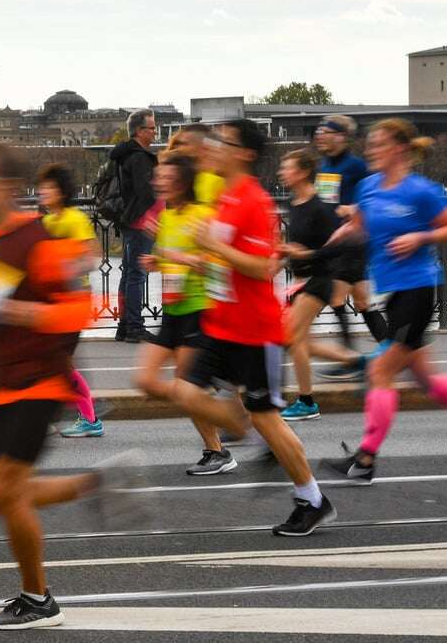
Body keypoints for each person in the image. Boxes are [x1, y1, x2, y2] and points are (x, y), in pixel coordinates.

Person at [0, 143, 138, 630]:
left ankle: (38, 599)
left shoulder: (39, 240)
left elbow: (77, 311)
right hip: (4, 384)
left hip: (41, 382)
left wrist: (13, 311)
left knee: (5, 492)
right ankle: (97, 485)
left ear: (8, 187)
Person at [164, 118, 335, 536]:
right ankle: (252, 438)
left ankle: (312, 499)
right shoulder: (225, 197)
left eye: (224, 141)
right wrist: (198, 260)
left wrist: (213, 247)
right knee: (183, 390)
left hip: (255, 332)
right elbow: (228, 260)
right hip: (220, 323)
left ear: (244, 154)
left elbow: (261, 268)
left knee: (268, 419)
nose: (216, 146)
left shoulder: (253, 201)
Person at [322, 119, 447, 484]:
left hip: (418, 290)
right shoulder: (368, 187)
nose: (371, 149)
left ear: (399, 148)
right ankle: (364, 460)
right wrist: (316, 253)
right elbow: (357, 227)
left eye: (378, 143)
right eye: (370, 143)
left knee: (380, 371)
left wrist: (420, 238)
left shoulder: (420, 191)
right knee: (425, 381)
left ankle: (365, 461)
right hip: (391, 293)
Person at [132, 152, 235, 475]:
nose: (157, 182)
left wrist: (179, 257)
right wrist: (158, 263)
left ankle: (217, 450)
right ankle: (219, 402)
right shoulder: (167, 215)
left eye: (164, 177)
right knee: (146, 380)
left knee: (184, 386)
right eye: (157, 177)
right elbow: (172, 259)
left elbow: (217, 264)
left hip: (199, 309)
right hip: (173, 308)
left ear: (182, 183)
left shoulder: (203, 214)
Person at [276, 148, 347, 422]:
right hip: (300, 280)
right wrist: (282, 255)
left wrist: (306, 255)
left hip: (320, 279)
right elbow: (296, 247)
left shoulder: (320, 207)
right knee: (302, 342)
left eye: (287, 167)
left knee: (292, 338)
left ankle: (306, 401)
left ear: (303, 172)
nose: (282, 171)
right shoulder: (294, 205)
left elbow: (335, 248)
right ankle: (357, 362)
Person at [36, 163, 103, 438]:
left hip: (74, 298)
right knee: (49, 359)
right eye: (42, 188)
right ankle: (48, 414)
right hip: (52, 300)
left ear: (62, 192)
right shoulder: (46, 222)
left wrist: (63, 268)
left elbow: (91, 257)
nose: (43, 192)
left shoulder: (75, 219)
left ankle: (89, 417)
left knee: (60, 360)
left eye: (49, 188)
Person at [313, 115, 387, 349]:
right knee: (362, 302)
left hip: (353, 241)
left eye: (326, 132)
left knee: (335, 297)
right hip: (334, 242)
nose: (320, 137)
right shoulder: (324, 165)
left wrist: (353, 208)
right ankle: (389, 348)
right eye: (318, 133)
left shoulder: (355, 166)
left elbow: (374, 194)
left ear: (341, 137)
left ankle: (349, 358)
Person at [111, 109, 157, 343]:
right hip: (142, 222)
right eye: (151, 127)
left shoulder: (124, 155)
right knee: (137, 275)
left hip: (130, 221)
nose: (155, 131)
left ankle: (125, 325)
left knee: (128, 274)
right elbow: (145, 192)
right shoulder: (139, 157)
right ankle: (135, 326)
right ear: (140, 131)